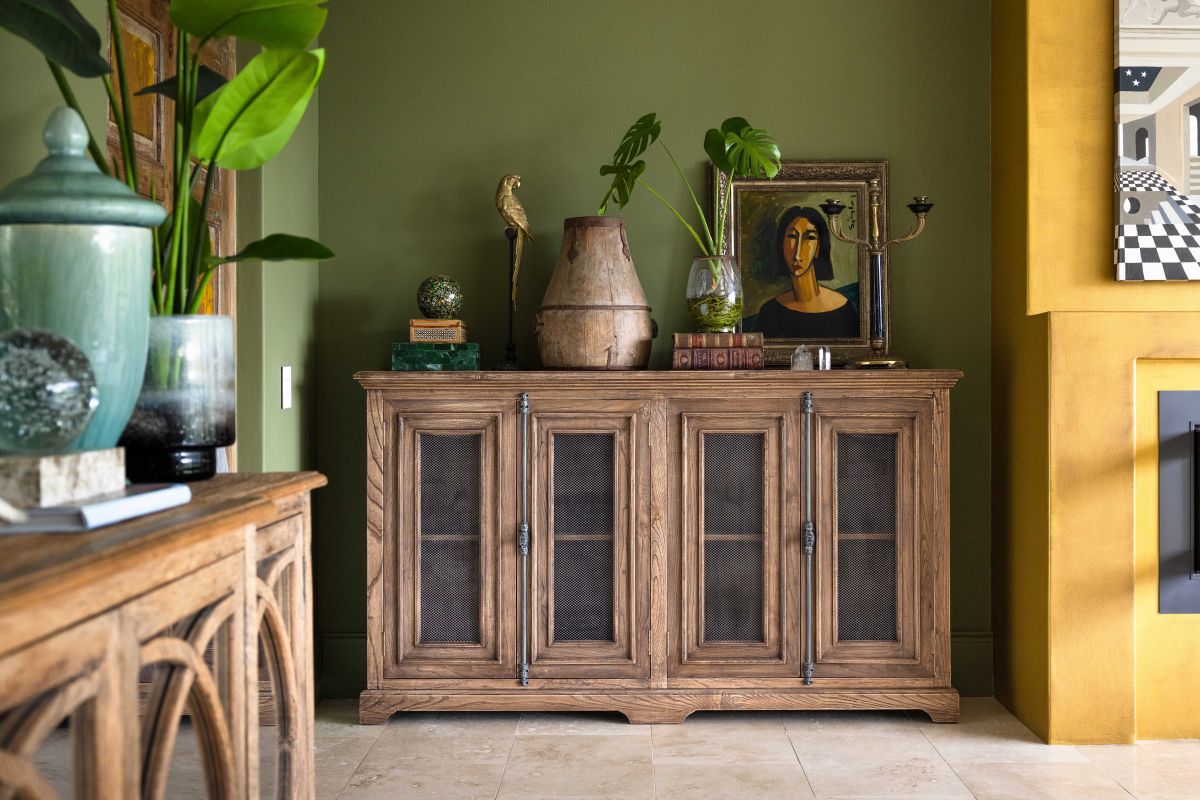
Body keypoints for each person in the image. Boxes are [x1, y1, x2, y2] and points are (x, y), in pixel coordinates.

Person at [746, 206, 859, 338]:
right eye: (792, 236)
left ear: (819, 248)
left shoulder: (844, 309)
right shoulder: (770, 312)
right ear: (781, 245)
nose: (797, 254)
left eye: (810, 238)